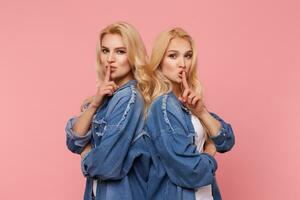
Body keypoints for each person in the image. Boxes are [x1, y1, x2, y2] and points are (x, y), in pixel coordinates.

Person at [144, 27, 235, 200]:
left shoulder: (188, 102)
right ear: (160, 61)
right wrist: (209, 151)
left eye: (188, 55)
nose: (183, 64)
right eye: (173, 56)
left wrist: (201, 112)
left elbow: (226, 140)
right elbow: (190, 171)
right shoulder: (163, 106)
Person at [65, 21, 151, 200]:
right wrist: (95, 104)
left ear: (133, 55)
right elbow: (73, 141)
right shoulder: (106, 97)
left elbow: (107, 165)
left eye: (120, 51)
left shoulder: (129, 98)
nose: (110, 59)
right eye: (105, 51)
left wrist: (86, 154)